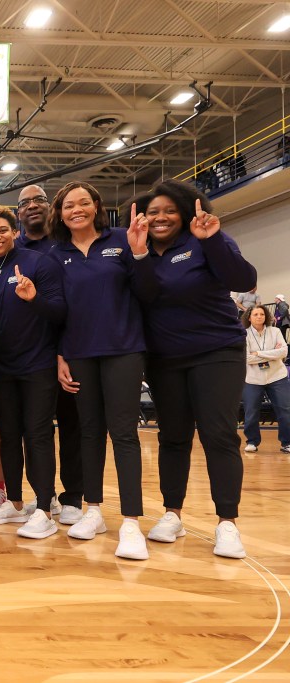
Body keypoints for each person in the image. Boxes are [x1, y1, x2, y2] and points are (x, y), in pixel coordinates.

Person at [126, 180, 257, 559]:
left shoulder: (206, 238)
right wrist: (138, 256)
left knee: (218, 435)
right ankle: (172, 513)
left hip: (217, 350)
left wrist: (213, 240)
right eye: (153, 212)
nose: (161, 217)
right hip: (166, 358)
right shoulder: (142, 249)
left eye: (169, 210)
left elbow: (243, 281)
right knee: (173, 437)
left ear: (185, 212)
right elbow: (146, 295)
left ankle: (227, 523)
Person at [48, 181, 154, 560]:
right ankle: (93, 510)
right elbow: (58, 311)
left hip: (124, 349)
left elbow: (147, 292)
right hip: (78, 353)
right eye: (67, 205)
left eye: (83, 203)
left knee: (123, 434)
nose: (75, 209)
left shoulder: (123, 241)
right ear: (59, 213)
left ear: (96, 206)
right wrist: (61, 355)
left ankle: (130, 522)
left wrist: (140, 254)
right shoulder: (55, 254)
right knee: (89, 433)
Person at [0, 207, 67, 539]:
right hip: (2, 368)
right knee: (8, 435)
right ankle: (14, 503)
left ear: (14, 232)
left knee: (38, 434)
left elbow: (59, 311)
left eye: (2, 230)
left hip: (38, 364)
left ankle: (44, 507)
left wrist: (34, 298)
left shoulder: (39, 263)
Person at [15, 184, 83, 524]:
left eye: (38, 199)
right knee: (35, 430)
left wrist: (66, 348)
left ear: (49, 206)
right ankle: (45, 496)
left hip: (71, 346)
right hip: (31, 354)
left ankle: (73, 497)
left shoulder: (66, 242)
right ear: (18, 213)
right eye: (24, 202)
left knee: (72, 425)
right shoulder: (14, 251)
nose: (32, 206)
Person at [242, 305, 290, 456]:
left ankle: (287, 442)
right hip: (253, 379)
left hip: (277, 376)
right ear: (249, 317)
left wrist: (258, 353)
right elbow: (246, 358)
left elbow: (283, 351)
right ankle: (251, 441)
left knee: (285, 410)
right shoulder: (244, 334)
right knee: (251, 412)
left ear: (266, 316)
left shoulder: (275, 331)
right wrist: (272, 354)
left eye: (262, 314)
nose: (259, 316)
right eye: (255, 314)